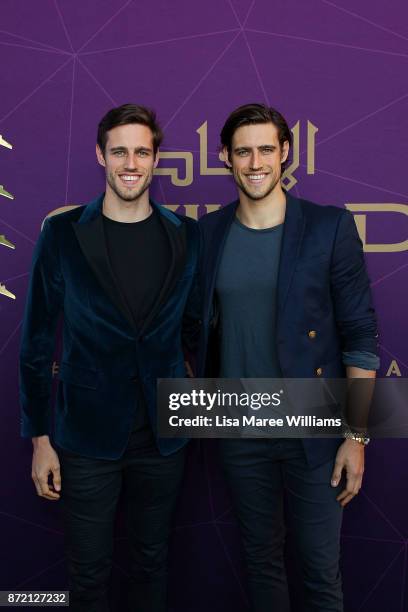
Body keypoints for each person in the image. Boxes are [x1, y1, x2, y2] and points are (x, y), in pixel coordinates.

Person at [197, 103, 379, 611]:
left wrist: (357, 435)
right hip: (239, 428)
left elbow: (361, 333)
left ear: (285, 154)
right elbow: (192, 329)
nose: (255, 162)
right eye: (243, 151)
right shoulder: (207, 234)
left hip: (315, 427)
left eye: (266, 150)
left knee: (320, 572)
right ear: (226, 159)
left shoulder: (329, 228)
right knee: (260, 561)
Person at [19, 103, 199, 612]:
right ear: (101, 155)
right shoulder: (62, 233)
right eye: (119, 150)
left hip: (163, 441)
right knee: (88, 572)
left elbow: (194, 330)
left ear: (156, 159)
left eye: (142, 151)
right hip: (85, 438)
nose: (131, 162)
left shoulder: (186, 235)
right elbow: (35, 342)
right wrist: (40, 440)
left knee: (151, 562)